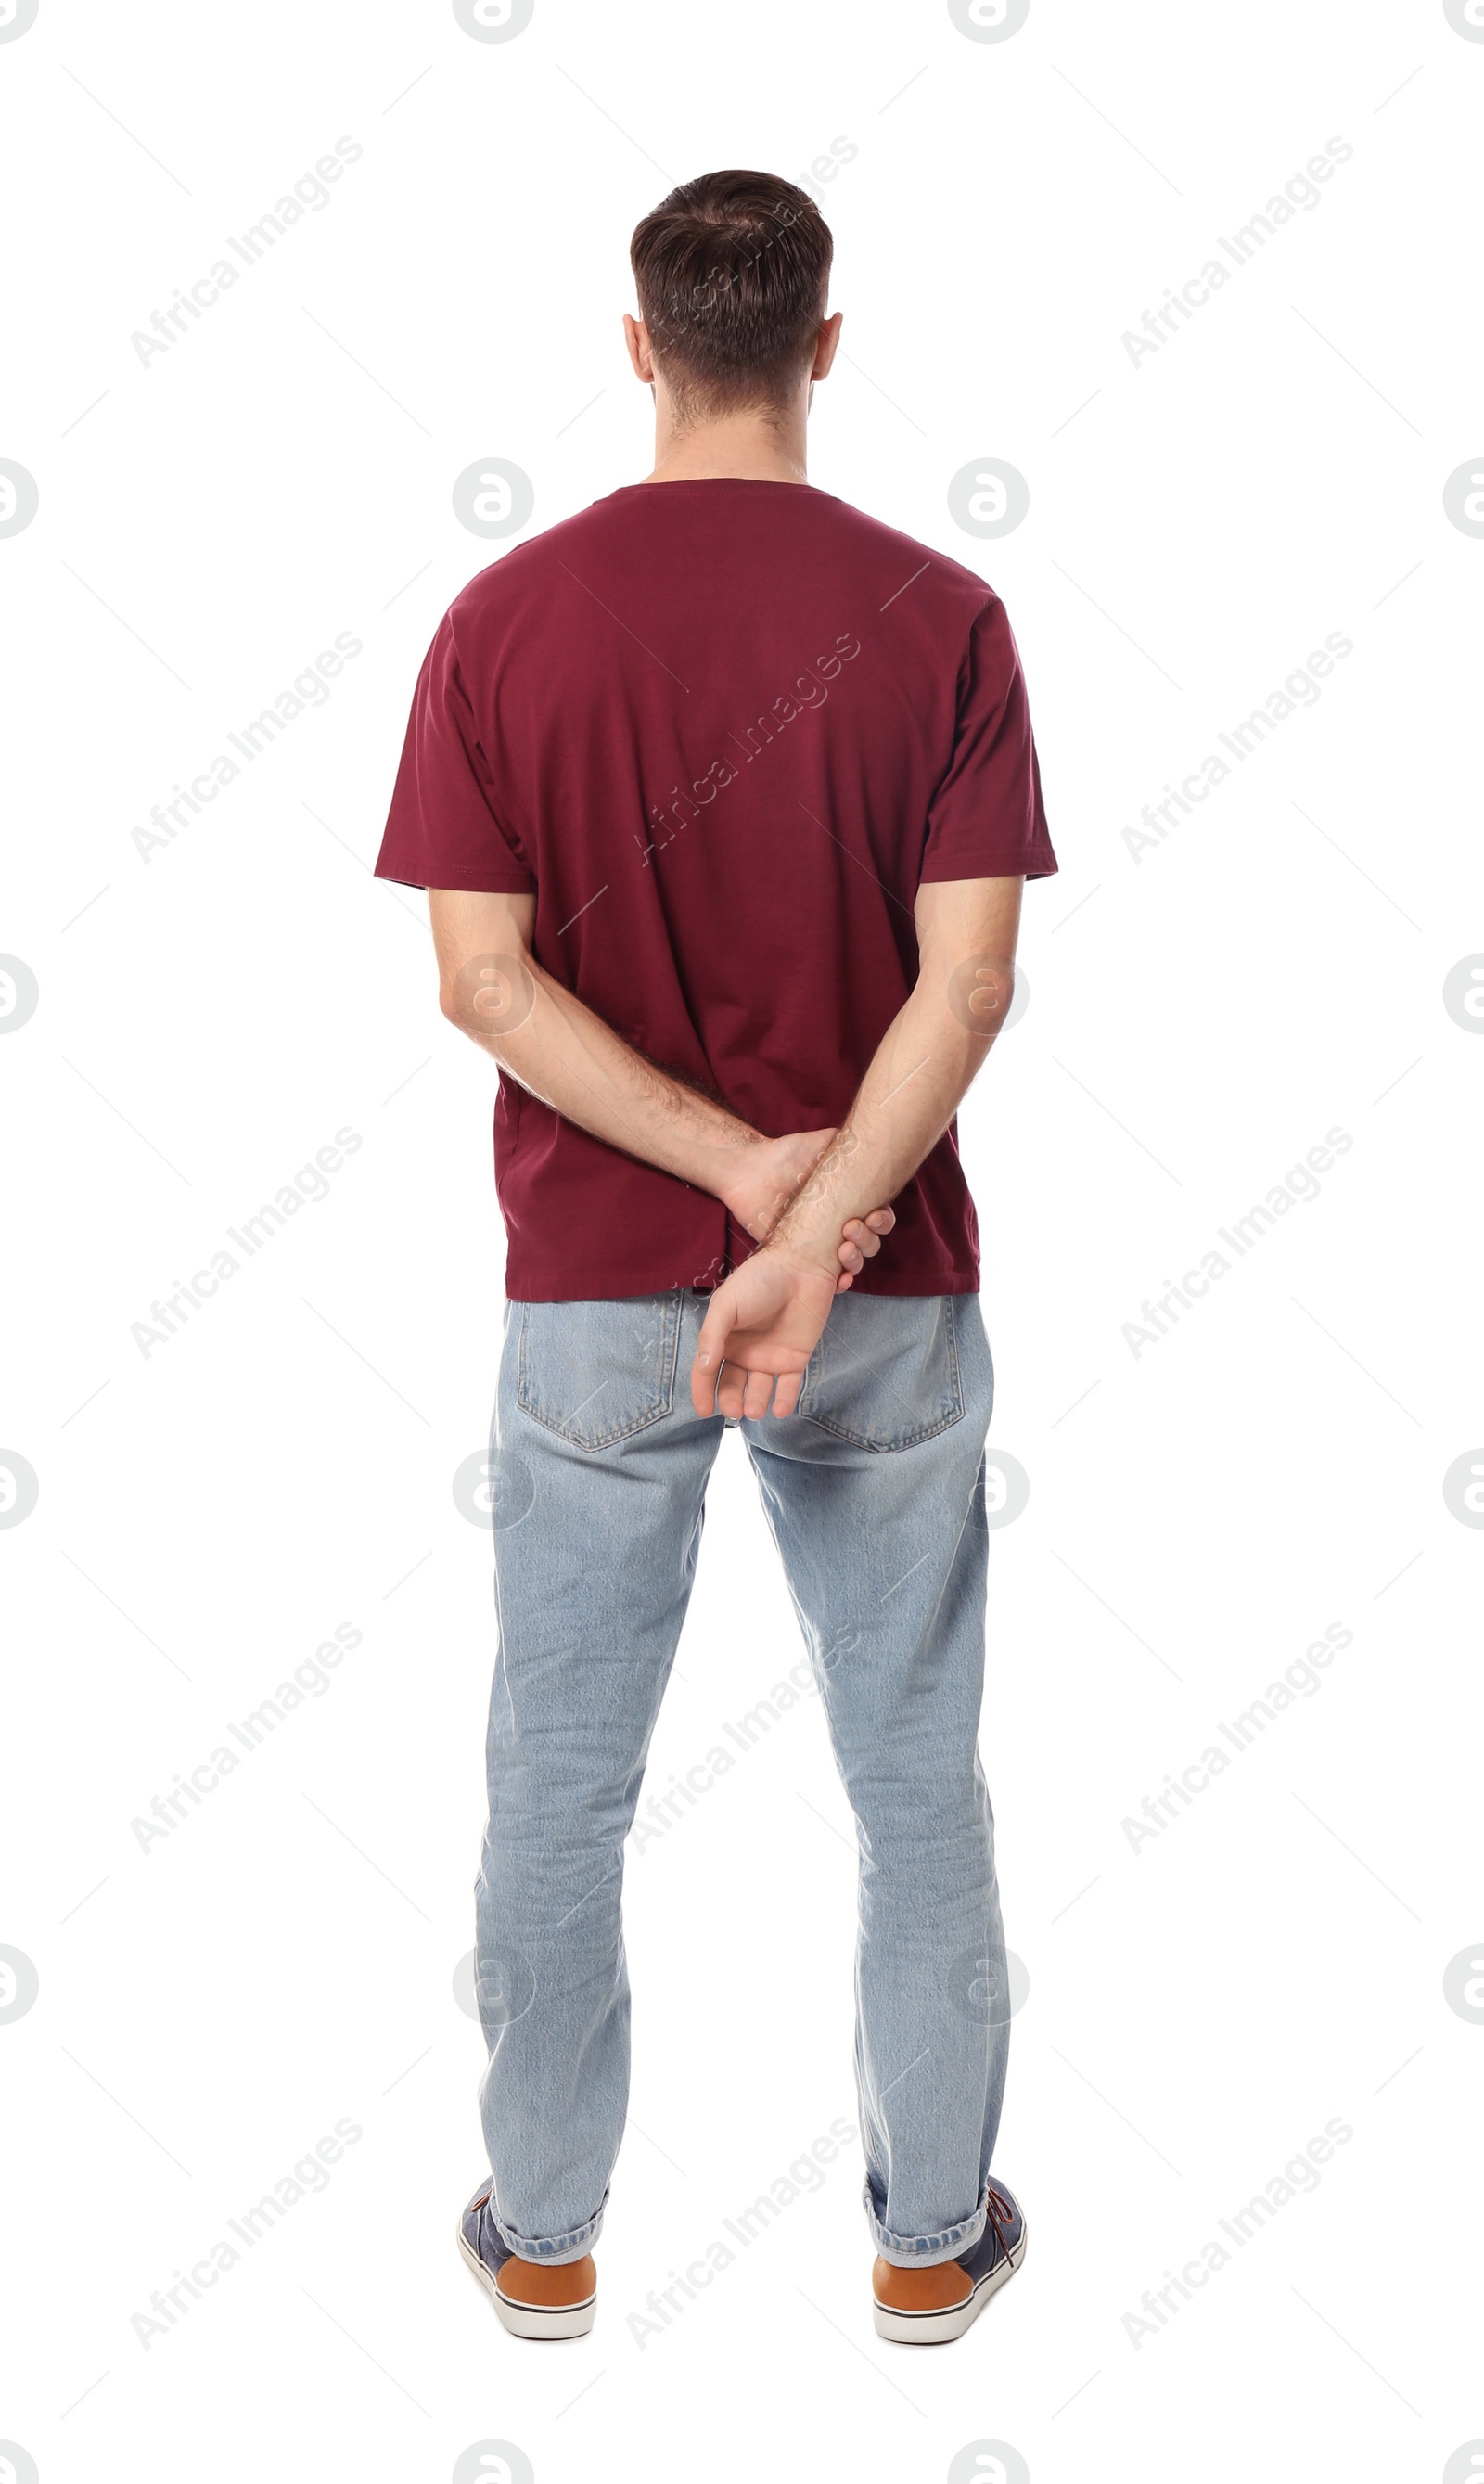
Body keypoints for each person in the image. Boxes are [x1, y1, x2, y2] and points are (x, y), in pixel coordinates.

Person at [375, 167, 1056, 2347]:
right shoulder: (941, 617)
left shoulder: (502, 621)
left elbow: (480, 984)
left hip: (589, 1288)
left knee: (556, 1785)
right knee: (912, 1768)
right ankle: (928, 2241)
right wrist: (824, 1207)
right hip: (887, 1286)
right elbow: (963, 992)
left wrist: (723, 1179)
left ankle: (549, 2236)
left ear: (640, 344)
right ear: (827, 348)